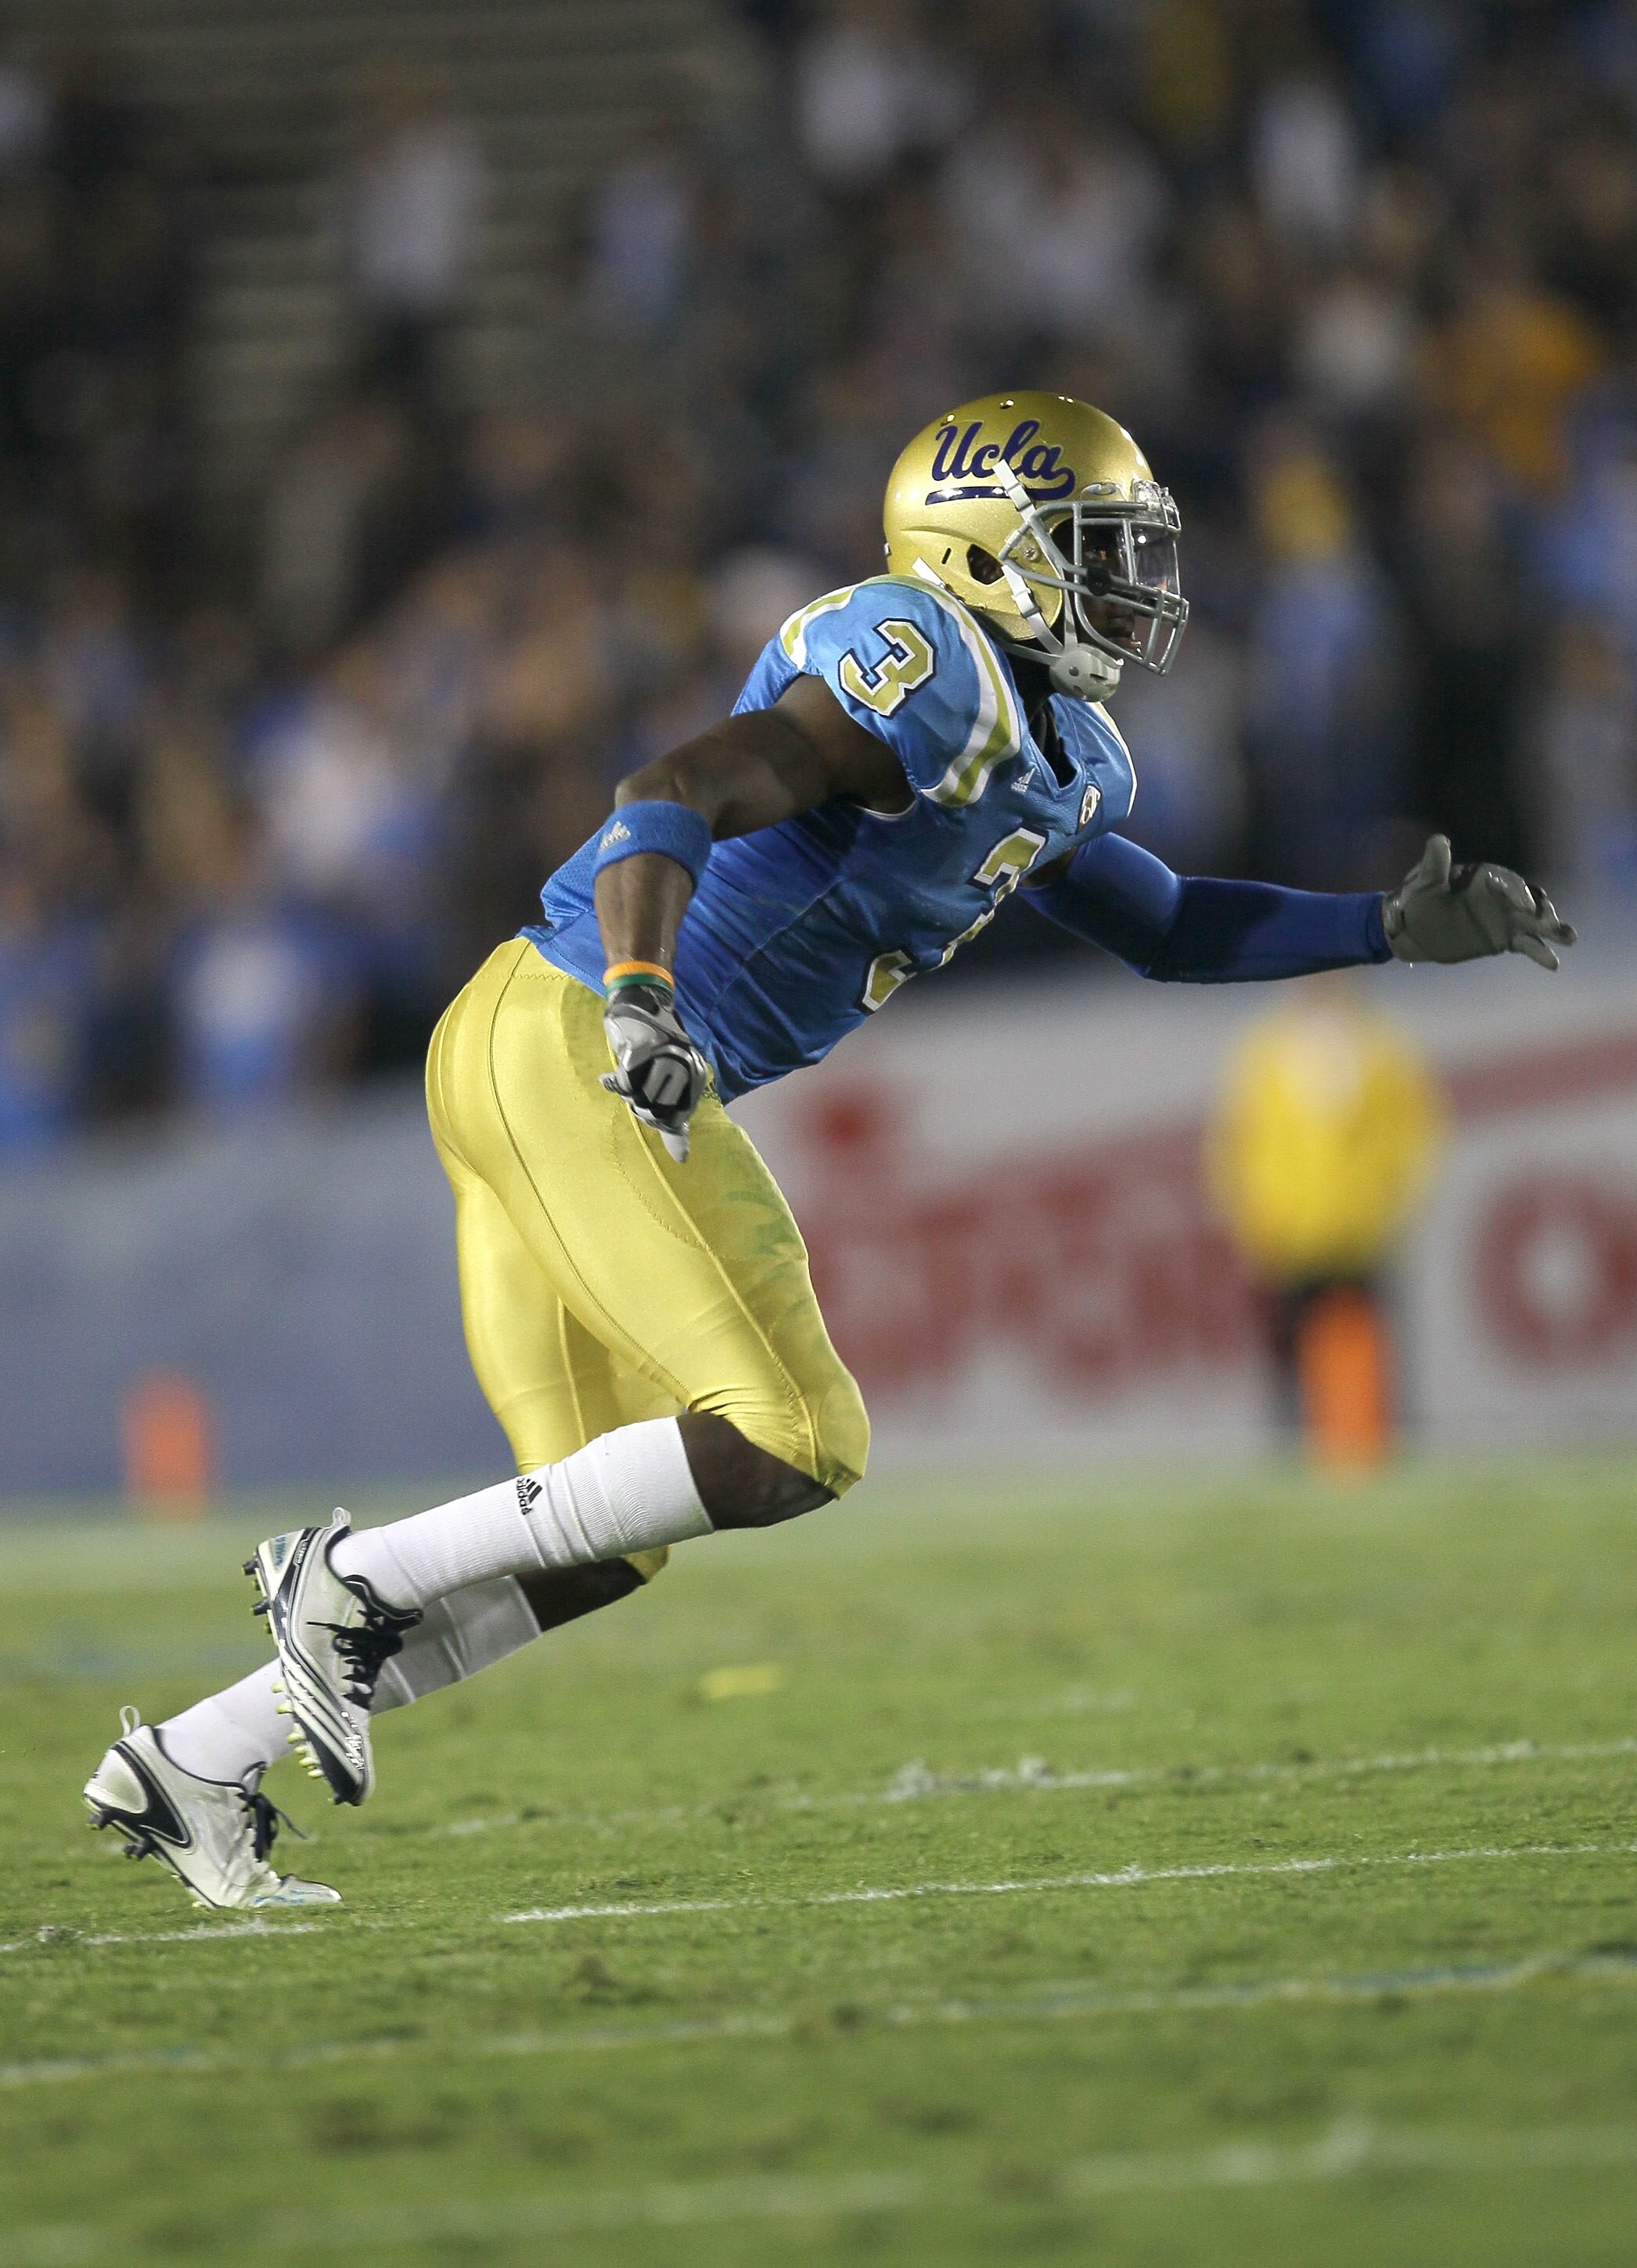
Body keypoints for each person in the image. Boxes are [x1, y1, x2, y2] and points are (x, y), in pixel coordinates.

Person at [82, 392, 1574, 1907]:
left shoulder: (1062, 754)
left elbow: (1170, 925)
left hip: (542, 1046)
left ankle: (198, 1759)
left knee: (598, 1538)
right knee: (793, 1434)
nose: (1135, 589)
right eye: (1096, 552)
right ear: (984, 555)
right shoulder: (921, 668)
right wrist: (645, 997)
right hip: (583, 1032)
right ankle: (347, 1580)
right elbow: (671, 791)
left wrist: (1384, 928)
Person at [1207, 979, 1446, 1463]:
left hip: (1361, 1234)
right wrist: (1263, 1219)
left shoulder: (1379, 1046)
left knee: (1372, 1361)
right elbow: (1239, 1145)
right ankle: (1297, 1460)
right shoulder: (1267, 1050)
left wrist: (1385, 1206)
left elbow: (1414, 1134)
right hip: (1291, 1237)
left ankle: (1379, 1457)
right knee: (1292, 1370)